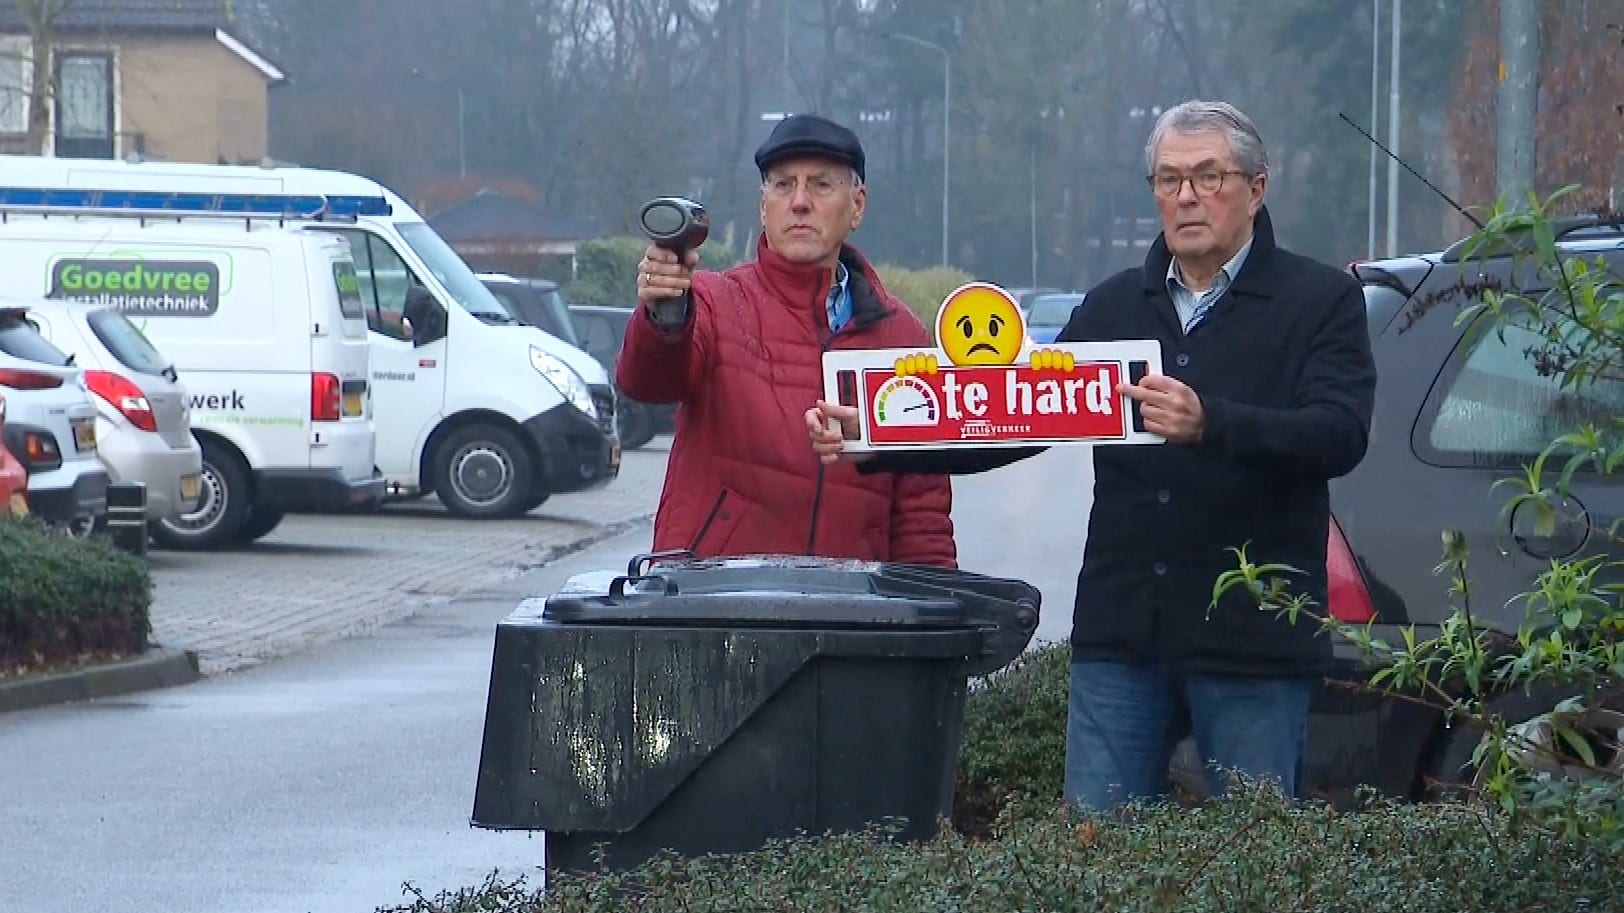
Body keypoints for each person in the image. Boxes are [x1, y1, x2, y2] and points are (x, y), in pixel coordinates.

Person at [806, 100, 1376, 812]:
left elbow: (1339, 434)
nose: (1186, 196)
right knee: (1093, 848)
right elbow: (1014, 419)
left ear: (1256, 188)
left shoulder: (1320, 300)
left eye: (1208, 176)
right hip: (1123, 639)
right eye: (1168, 179)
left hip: (1255, 643)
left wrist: (1212, 423)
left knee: (1254, 846)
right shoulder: (1114, 307)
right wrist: (875, 436)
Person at [620, 113, 957, 568]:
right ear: (764, 207)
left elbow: (922, 513)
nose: (799, 202)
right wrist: (664, 313)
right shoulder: (713, 302)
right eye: (782, 185)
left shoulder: (902, 337)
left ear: (857, 205)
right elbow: (647, 381)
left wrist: (934, 604)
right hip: (710, 595)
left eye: (821, 185)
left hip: (853, 601)